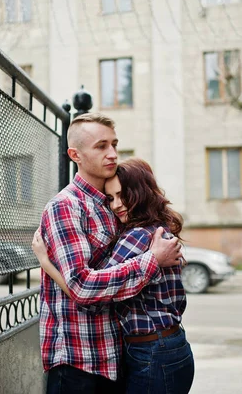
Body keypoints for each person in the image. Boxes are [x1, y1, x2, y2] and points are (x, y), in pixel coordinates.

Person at [35, 113, 183, 393]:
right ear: (75, 154)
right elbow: (82, 286)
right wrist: (152, 260)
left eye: (114, 144)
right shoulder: (66, 207)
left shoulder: (113, 204)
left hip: (117, 356)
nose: (113, 153)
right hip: (80, 360)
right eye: (101, 146)